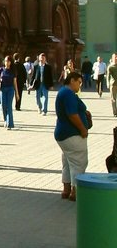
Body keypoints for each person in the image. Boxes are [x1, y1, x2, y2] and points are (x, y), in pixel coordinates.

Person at [54, 71, 91, 202]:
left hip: (62, 134)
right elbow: (72, 114)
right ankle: (75, 191)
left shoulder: (63, 92)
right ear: (72, 80)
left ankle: (66, 189)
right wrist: (82, 129)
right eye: (79, 82)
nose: (79, 86)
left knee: (67, 162)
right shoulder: (68, 94)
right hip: (72, 134)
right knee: (79, 162)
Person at [0, 54, 20, 129]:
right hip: (3, 89)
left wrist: (17, 94)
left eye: (8, 61)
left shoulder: (13, 70)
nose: (7, 62)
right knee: (3, 106)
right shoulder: (1, 69)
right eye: (6, 61)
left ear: (11, 62)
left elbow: (15, 83)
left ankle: (10, 124)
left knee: (9, 106)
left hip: (10, 89)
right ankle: (5, 120)